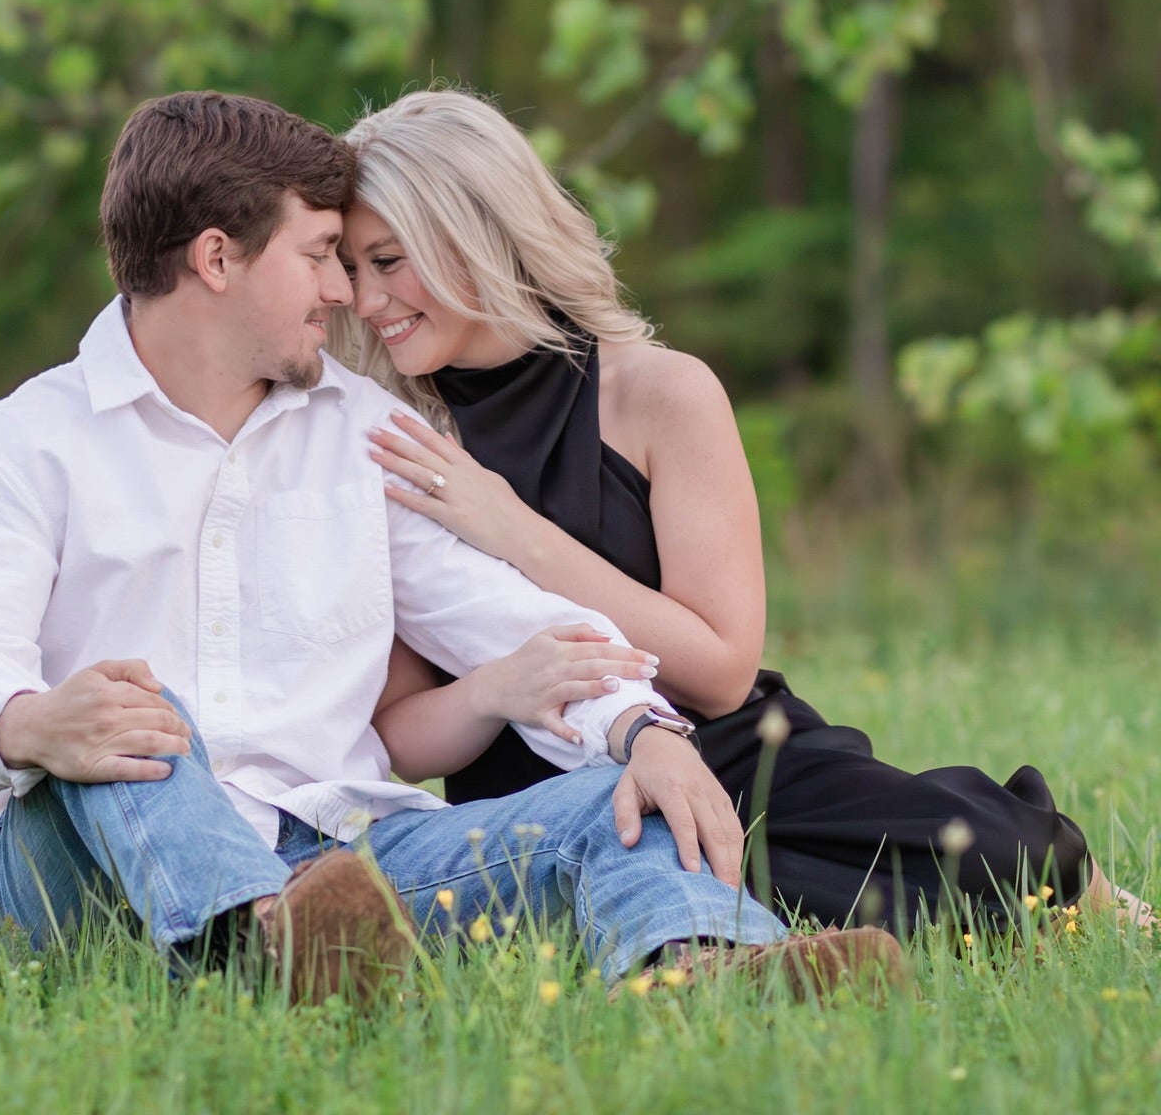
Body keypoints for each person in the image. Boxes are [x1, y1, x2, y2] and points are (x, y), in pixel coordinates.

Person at [0, 90, 902, 1007]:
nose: (343, 291)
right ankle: (256, 944)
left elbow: (500, 615)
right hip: (83, 868)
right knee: (130, 719)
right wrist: (35, 724)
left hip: (342, 863)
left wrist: (640, 728)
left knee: (611, 797)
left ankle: (705, 969)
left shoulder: (362, 433)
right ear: (216, 260)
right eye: (320, 255)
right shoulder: (29, 444)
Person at [340, 86, 1146, 934]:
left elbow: (722, 669)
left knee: (989, 864)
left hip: (735, 758)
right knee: (738, 898)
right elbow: (398, 734)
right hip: (548, 803)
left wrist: (513, 531)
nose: (365, 301)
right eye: (351, 269)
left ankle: (1078, 883)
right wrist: (493, 692)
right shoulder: (387, 441)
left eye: (388, 262)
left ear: (473, 232)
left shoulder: (660, 394)